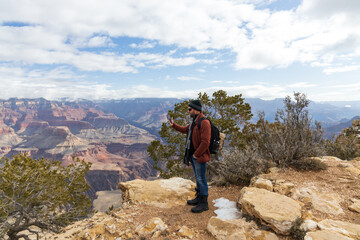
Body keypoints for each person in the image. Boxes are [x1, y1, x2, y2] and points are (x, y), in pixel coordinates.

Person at [168, 99, 211, 213]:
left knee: (201, 179)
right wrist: (174, 125)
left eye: (189, 109)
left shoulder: (204, 122)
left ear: (196, 110)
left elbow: (205, 142)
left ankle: (204, 203)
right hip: (193, 156)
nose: (188, 111)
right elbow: (185, 130)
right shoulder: (194, 122)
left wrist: (196, 154)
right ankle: (199, 198)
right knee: (198, 178)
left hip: (199, 156)